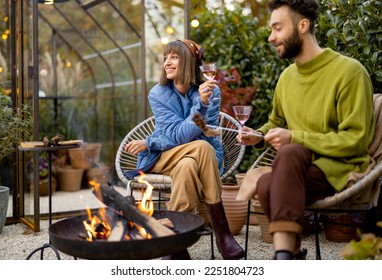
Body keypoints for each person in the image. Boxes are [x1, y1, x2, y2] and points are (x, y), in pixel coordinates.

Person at [238, 0, 375, 260]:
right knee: (266, 183)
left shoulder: (349, 72)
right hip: (300, 168)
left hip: (340, 168)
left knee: (288, 154)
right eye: (271, 29)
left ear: (303, 25)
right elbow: (276, 123)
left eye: (277, 28)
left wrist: (295, 137)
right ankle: (289, 254)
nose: (271, 37)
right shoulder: (287, 77)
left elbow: (356, 140)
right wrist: (257, 136)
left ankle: (284, 257)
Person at [123, 39, 245, 260]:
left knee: (189, 164)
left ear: (189, 62)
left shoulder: (211, 91)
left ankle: (176, 244)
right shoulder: (158, 93)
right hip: (163, 156)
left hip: (203, 157)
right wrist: (201, 107)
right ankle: (223, 233)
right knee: (199, 147)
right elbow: (178, 135)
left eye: (174, 57)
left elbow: (203, 131)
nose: (167, 63)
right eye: (165, 58)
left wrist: (205, 101)